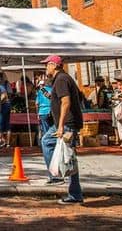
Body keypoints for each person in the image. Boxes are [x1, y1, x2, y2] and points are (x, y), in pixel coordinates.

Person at [40, 55, 84, 204]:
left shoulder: (61, 80)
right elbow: (77, 96)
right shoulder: (64, 79)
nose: (46, 68)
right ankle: (75, 194)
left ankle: (56, 176)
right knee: (70, 158)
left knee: (46, 142)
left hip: (66, 124)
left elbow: (66, 102)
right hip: (68, 123)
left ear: (54, 65)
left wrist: (60, 125)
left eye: (47, 65)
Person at [0, 71, 12, 148]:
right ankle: (7, 143)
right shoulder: (5, 84)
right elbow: (9, 94)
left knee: (0, 123)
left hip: (3, 106)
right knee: (7, 124)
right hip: (7, 105)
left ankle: (1, 141)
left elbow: (4, 95)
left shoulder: (0, 86)